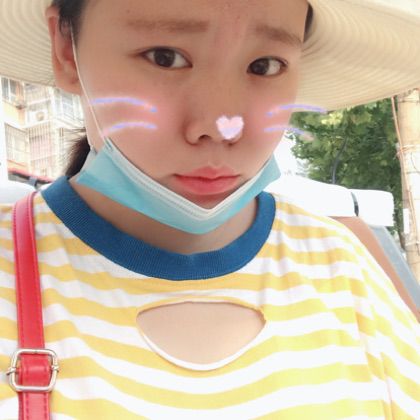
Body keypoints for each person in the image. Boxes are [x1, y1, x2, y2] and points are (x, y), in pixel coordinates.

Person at [0, 0, 419, 418]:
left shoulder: (344, 270)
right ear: (66, 49)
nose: (221, 127)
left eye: (265, 65)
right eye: (165, 57)